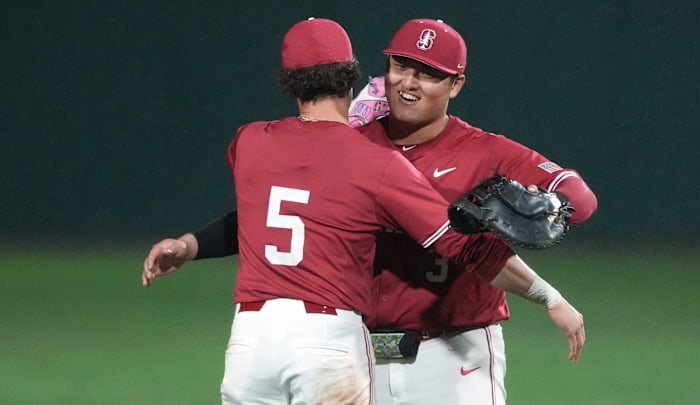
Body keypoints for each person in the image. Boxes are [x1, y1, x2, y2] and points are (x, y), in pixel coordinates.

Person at [144, 18, 598, 405]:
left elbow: (578, 200)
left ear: (456, 84)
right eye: (401, 66)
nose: (409, 81)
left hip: (454, 351)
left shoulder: (484, 151)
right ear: (377, 71)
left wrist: (559, 214)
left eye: (428, 72)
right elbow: (267, 217)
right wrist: (193, 244)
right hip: (361, 351)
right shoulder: (361, 147)